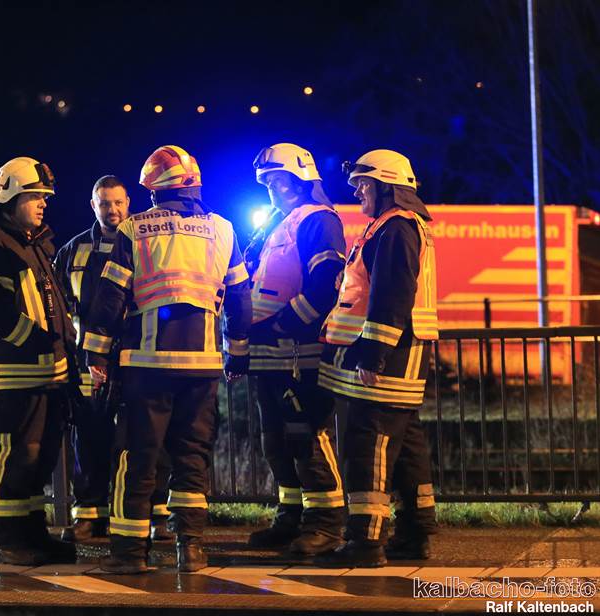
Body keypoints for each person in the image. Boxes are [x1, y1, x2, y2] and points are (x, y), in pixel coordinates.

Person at [84, 145, 252, 574]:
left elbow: (110, 296)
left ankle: (128, 553)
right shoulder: (223, 230)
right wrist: (237, 353)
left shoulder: (135, 229)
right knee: (192, 457)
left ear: (154, 190)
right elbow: (240, 298)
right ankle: (190, 549)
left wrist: (96, 353)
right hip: (202, 367)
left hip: (147, 366)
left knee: (137, 455)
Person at [315, 149, 438, 568]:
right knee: (406, 446)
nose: (357, 192)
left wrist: (373, 354)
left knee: (370, 443)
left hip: (388, 356)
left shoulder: (396, 228)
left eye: (363, 185)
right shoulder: (394, 227)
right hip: (401, 354)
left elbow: (391, 298)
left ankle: (365, 542)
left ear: (386, 187)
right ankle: (415, 533)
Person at [0, 156, 78, 566]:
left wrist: (64, 350)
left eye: (44, 197)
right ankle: (10, 540)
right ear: (10, 199)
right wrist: (33, 342)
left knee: (40, 459)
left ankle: (33, 535)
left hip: (48, 372)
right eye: (34, 197)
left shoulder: (34, 243)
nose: (43, 204)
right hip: (17, 375)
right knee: (17, 456)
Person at [54, 175, 174, 543]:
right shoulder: (73, 251)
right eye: (105, 203)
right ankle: (90, 515)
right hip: (89, 361)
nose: (113, 210)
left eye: (118, 202)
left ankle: (157, 513)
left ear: (129, 203)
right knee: (90, 436)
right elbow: (60, 307)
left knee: (149, 437)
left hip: (137, 356)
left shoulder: (144, 243)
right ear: (93, 206)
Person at [244, 143, 347, 557]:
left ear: (300, 180)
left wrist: (286, 323)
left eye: (278, 181)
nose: (272, 189)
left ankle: (326, 523)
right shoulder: (275, 223)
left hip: (299, 352)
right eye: (268, 182)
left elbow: (326, 284)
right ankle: (291, 516)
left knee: (306, 437)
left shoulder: (319, 220)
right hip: (268, 353)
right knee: (275, 441)